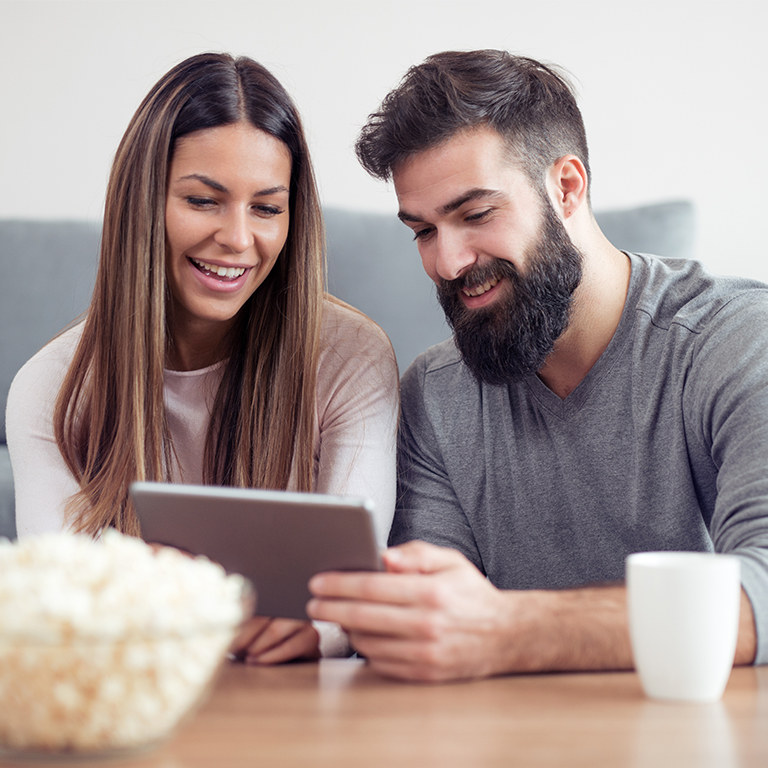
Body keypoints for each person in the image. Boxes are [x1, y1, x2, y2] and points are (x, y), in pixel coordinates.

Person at [307, 49, 768, 681]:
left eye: (476, 214)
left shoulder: (735, 342)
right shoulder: (435, 398)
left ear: (568, 187)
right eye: (422, 230)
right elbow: (430, 632)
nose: (447, 261)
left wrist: (512, 630)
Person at [6, 52, 399, 664]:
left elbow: (358, 584)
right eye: (203, 200)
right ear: (144, 204)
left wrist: (318, 631)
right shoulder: (50, 388)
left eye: (266, 207)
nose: (239, 239)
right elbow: (63, 607)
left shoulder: (352, 358)